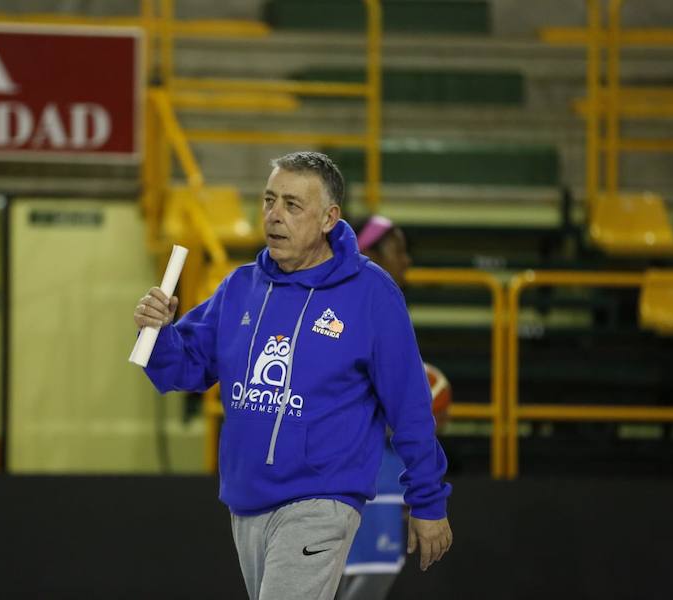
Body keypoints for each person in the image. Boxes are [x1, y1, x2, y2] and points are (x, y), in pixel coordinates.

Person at [133, 152, 453, 600]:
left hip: (322, 498)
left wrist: (428, 500)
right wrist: (159, 332)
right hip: (246, 500)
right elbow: (181, 370)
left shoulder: (372, 293)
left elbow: (411, 405)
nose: (274, 216)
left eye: (291, 205)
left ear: (329, 218)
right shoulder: (239, 287)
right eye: (269, 200)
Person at [336, 216, 453, 600]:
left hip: (372, 471)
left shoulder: (379, 302)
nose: (406, 262)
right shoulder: (351, 305)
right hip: (350, 470)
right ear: (370, 252)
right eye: (398, 251)